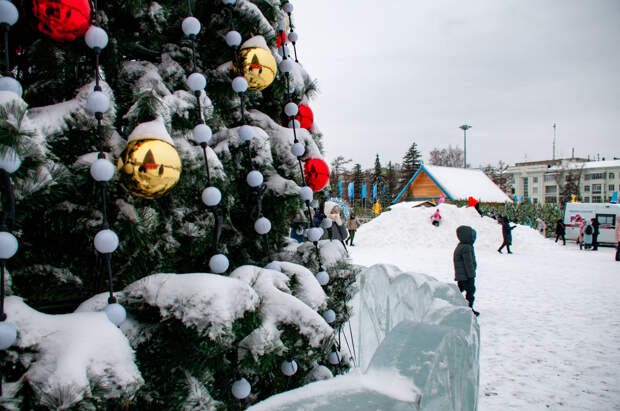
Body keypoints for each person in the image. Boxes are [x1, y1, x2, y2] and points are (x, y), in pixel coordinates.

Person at [453, 225, 479, 316]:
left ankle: (456, 305)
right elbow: (468, 263)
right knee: (470, 292)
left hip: (462, 276)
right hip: (467, 276)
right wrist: (471, 275)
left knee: (460, 291)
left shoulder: (461, 246)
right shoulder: (466, 247)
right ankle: (469, 309)